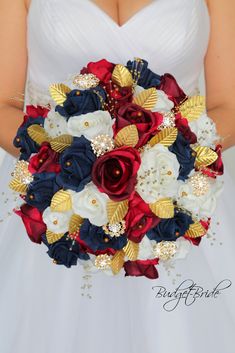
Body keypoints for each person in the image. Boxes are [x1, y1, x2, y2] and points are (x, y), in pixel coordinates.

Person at [0, 0, 234, 352]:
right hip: (50, 203)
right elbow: (3, 103)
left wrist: (164, 165)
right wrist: (65, 164)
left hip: (175, 201)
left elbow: (227, 104)